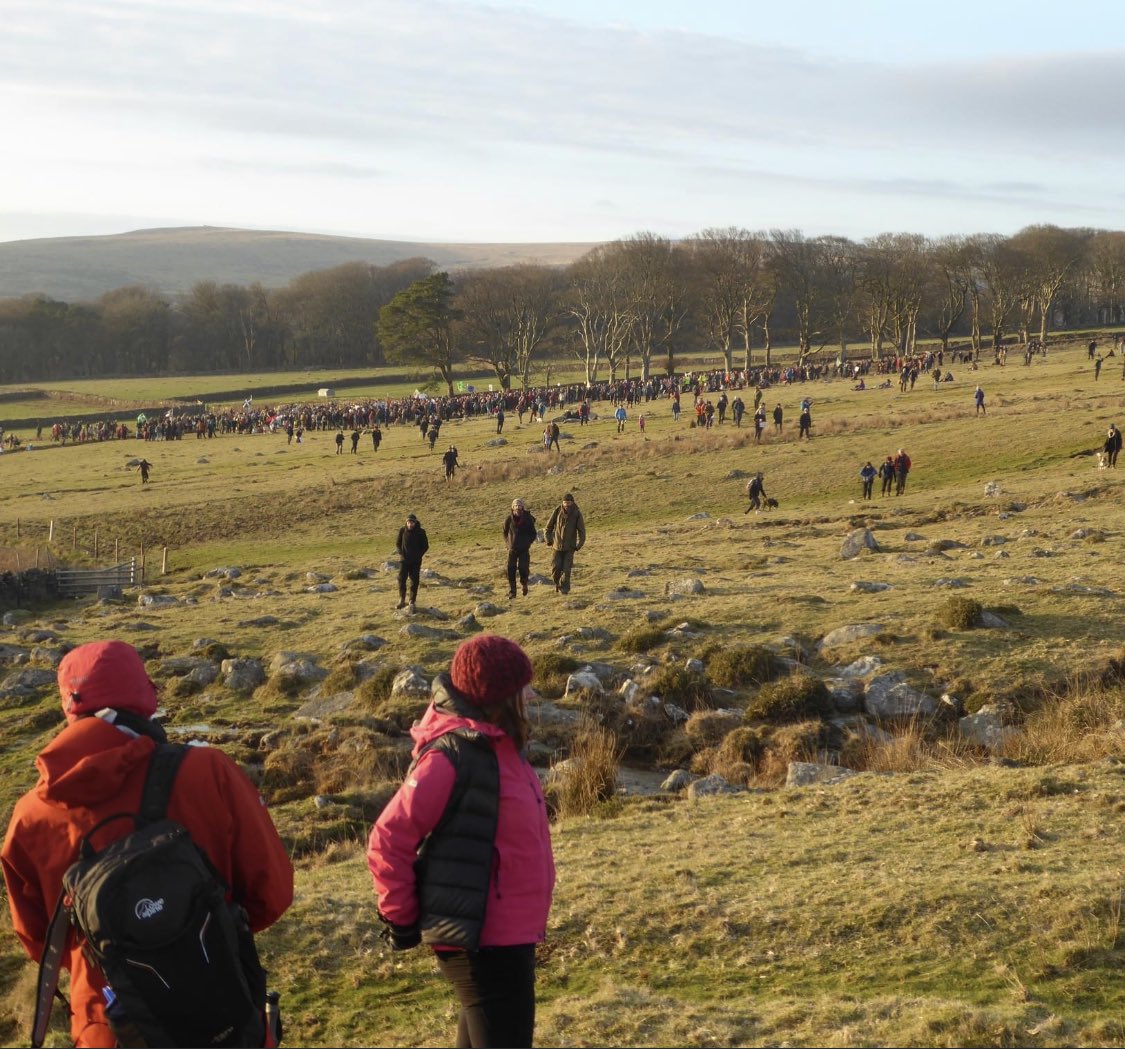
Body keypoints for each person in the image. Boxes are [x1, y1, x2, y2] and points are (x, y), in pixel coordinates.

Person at [2, 640, 293, 1049]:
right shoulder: (209, 771)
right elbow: (272, 894)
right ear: (143, 692)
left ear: (68, 704)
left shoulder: (31, 815)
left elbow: (37, 940)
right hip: (220, 1008)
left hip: (109, 1025)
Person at [367, 634, 555, 1049]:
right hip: (481, 937)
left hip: (504, 933)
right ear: (501, 696)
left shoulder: (500, 745)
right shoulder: (453, 755)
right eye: (522, 688)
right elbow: (388, 836)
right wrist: (401, 915)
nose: (531, 694)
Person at [545, 492, 586, 595]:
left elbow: (582, 531)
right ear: (562, 503)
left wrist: (579, 545)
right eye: (565, 503)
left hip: (570, 547)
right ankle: (557, 584)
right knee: (555, 569)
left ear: (572, 503)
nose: (567, 505)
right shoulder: (557, 511)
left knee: (566, 570)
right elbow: (548, 527)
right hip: (556, 547)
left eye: (568, 503)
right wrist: (548, 540)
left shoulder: (577, 514)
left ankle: (564, 590)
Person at [503, 498, 538, 598]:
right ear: (512, 508)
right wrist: (508, 543)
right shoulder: (508, 519)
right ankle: (512, 592)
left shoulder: (528, 519)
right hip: (512, 549)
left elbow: (533, 533)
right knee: (511, 570)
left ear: (523, 507)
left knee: (523, 568)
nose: (517, 507)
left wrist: (528, 543)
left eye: (519, 505)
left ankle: (524, 584)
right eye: (515, 505)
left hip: (524, 549)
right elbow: (504, 532)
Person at [396, 512, 429, 612]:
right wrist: (401, 554)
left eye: (412, 522)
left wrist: (418, 555)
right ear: (406, 523)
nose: (410, 524)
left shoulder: (421, 532)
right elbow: (398, 544)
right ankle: (402, 599)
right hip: (404, 561)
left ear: (415, 523)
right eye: (408, 522)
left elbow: (425, 546)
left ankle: (412, 601)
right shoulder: (402, 531)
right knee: (401, 579)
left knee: (414, 581)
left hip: (416, 561)